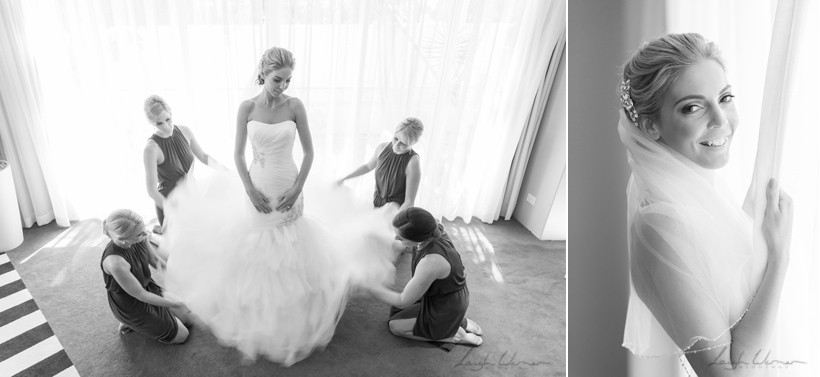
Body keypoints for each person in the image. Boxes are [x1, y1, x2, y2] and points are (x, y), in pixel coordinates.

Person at [162, 47, 394, 366]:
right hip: (257, 185)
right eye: (277, 79)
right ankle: (259, 316)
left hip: (289, 184)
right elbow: (239, 155)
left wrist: (298, 188)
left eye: (288, 80)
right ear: (263, 73)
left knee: (293, 248)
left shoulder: (295, 106)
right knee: (258, 251)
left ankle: (293, 318)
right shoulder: (246, 108)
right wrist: (249, 189)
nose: (283, 86)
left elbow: (310, 153)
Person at [619, 33, 793, 376]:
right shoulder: (661, 223)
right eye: (693, 107)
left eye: (725, 97)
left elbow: (730, 292)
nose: (720, 119)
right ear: (651, 125)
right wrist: (779, 258)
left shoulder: (699, 193)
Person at [368, 207, 483, 346]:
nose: (396, 238)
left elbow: (402, 300)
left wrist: (370, 288)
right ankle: (458, 322)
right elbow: (398, 246)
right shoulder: (431, 228)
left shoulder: (431, 261)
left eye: (401, 237)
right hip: (443, 293)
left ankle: (455, 335)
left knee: (395, 326)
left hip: (447, 305)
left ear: (416, 238)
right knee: (399, 311)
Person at [100, 209, 193, 344]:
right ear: (124, 240)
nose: (145, 234)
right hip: (132, 304)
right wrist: (176, 303)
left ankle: (157, 318)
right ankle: (129, 321)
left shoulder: (140, 237)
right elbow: (141, 295)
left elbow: (155, 260)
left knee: (187, 318)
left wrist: (180, 277)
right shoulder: (116, 263)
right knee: (182, 335)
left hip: (147, 286)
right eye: (140, 233)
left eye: (143, 229)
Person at [142, 95, 219, 232]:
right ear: (151, 123)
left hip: (192, 193)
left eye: (167, 119)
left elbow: (203, 156)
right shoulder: (151, 149)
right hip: (169, 201)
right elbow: (151, 190)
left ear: (171, 113)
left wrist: (227, 171)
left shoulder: (185, 131)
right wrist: (170, 209)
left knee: (204, 236)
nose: (165, 126)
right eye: (159, 123)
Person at [337, 117, 423, 212]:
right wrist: (345, 178)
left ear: (413, 143)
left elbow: (409, 202)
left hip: (396, 210)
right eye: (395, 138)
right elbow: (367, 166)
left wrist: (396, 221)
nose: (396, 145)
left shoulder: (413, 161)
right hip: (377, 204)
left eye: (403, 143)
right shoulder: (382, 148)